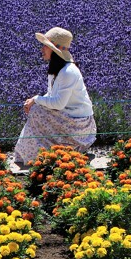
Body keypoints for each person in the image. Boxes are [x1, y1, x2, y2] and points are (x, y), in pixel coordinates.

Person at [13, 27, 96, 167]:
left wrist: (36, 99)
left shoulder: (68, 72)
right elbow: (51, 96)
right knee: (37, 109)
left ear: (54, 50)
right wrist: (34, 101)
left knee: (37, 111)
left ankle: (40, 154)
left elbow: (58, 104)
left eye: (45, 46)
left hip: (80, 125)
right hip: (69, 118)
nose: (42, 49)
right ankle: (39, 152)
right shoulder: (57, 71)